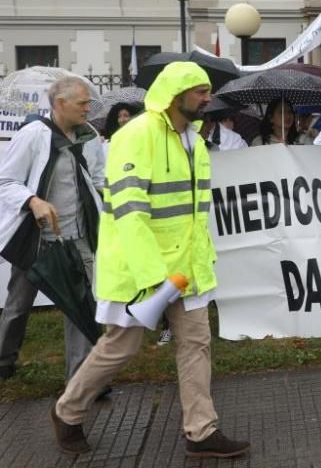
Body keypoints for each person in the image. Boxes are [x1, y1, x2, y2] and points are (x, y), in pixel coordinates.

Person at [51, 61, 250, 458]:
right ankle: (68, 411)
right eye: (200, 90)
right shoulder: (136, 135)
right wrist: (154, 278)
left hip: (186, 268)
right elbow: (130, 212)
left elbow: (192, 213)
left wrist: (193, 266)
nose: (208, 98)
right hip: (141, 270)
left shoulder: (193, 139)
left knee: (196, 342)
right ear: (176, 94)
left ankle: (201, 431)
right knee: (120, 348)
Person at [0, 76, 105, 383]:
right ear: (61, 104)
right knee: (18, 306)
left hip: (78, 237)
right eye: (82, 103)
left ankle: (82, 381)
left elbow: (97, 178)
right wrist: (32, 201)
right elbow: (6, 181)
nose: (88, 108)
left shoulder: (89, 136)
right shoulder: (32, 135)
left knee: (81, 308)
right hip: (37, 241)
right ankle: (4, 360)